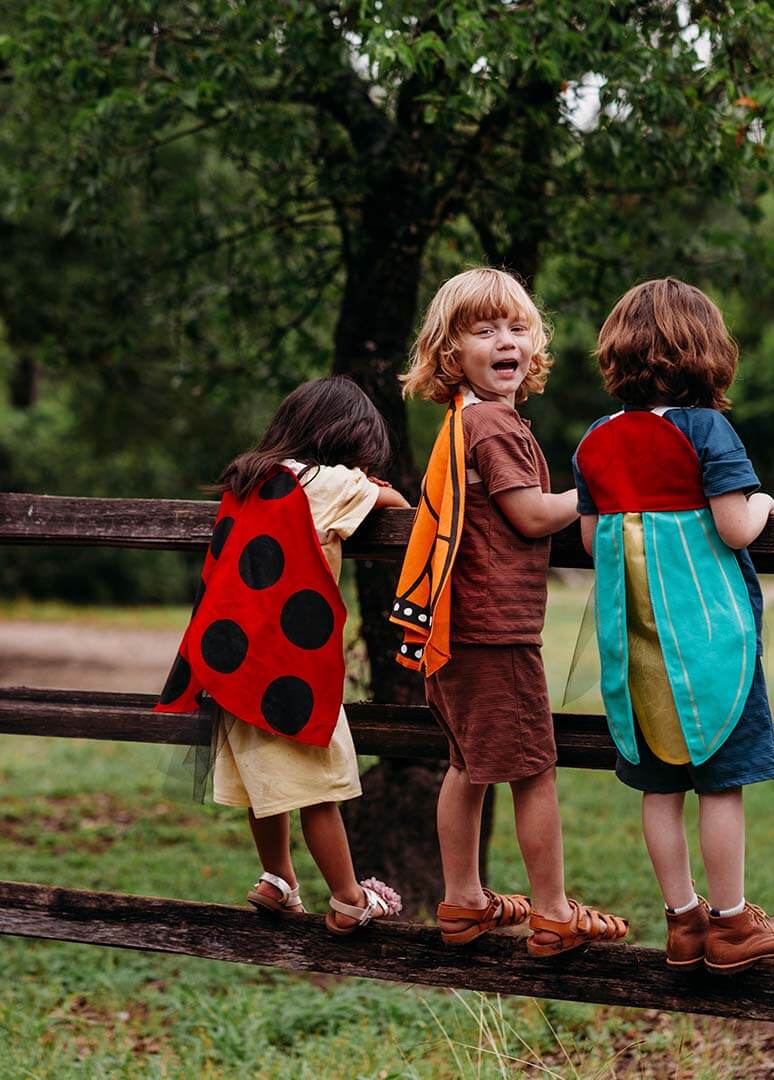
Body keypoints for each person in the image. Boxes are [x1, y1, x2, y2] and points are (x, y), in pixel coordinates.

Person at [392, 268, 629, 957]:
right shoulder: (494, 422)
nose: (506, 341)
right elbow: (531, 517)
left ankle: (463, 901)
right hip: (494, 630)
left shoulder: (466, 420)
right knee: (533, 769)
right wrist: (600, 490)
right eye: (484, 329)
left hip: (456, 627)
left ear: (535, 346)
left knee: (466, 764)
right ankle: (552, 912)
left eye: (517, 328)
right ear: (450, 353)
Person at [572, 278, 774, 973]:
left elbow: (589, 543)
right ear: (707, 353)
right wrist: (764, 503)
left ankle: (683, 921)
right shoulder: (706, 429)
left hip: (634, 651)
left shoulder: (597, 440)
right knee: (720, 784)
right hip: (708, 651)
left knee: (659, 788)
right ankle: (733, 925)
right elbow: (735, 528)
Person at [156, 375, 408, 935]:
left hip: (232, 665)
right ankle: (347, 899)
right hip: (291, 671)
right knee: (319, 787)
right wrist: (372, 485)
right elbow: (399, 505)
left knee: (264, 782)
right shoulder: (330, 481)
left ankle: (277, 879)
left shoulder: (250, 479)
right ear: (350, 440)